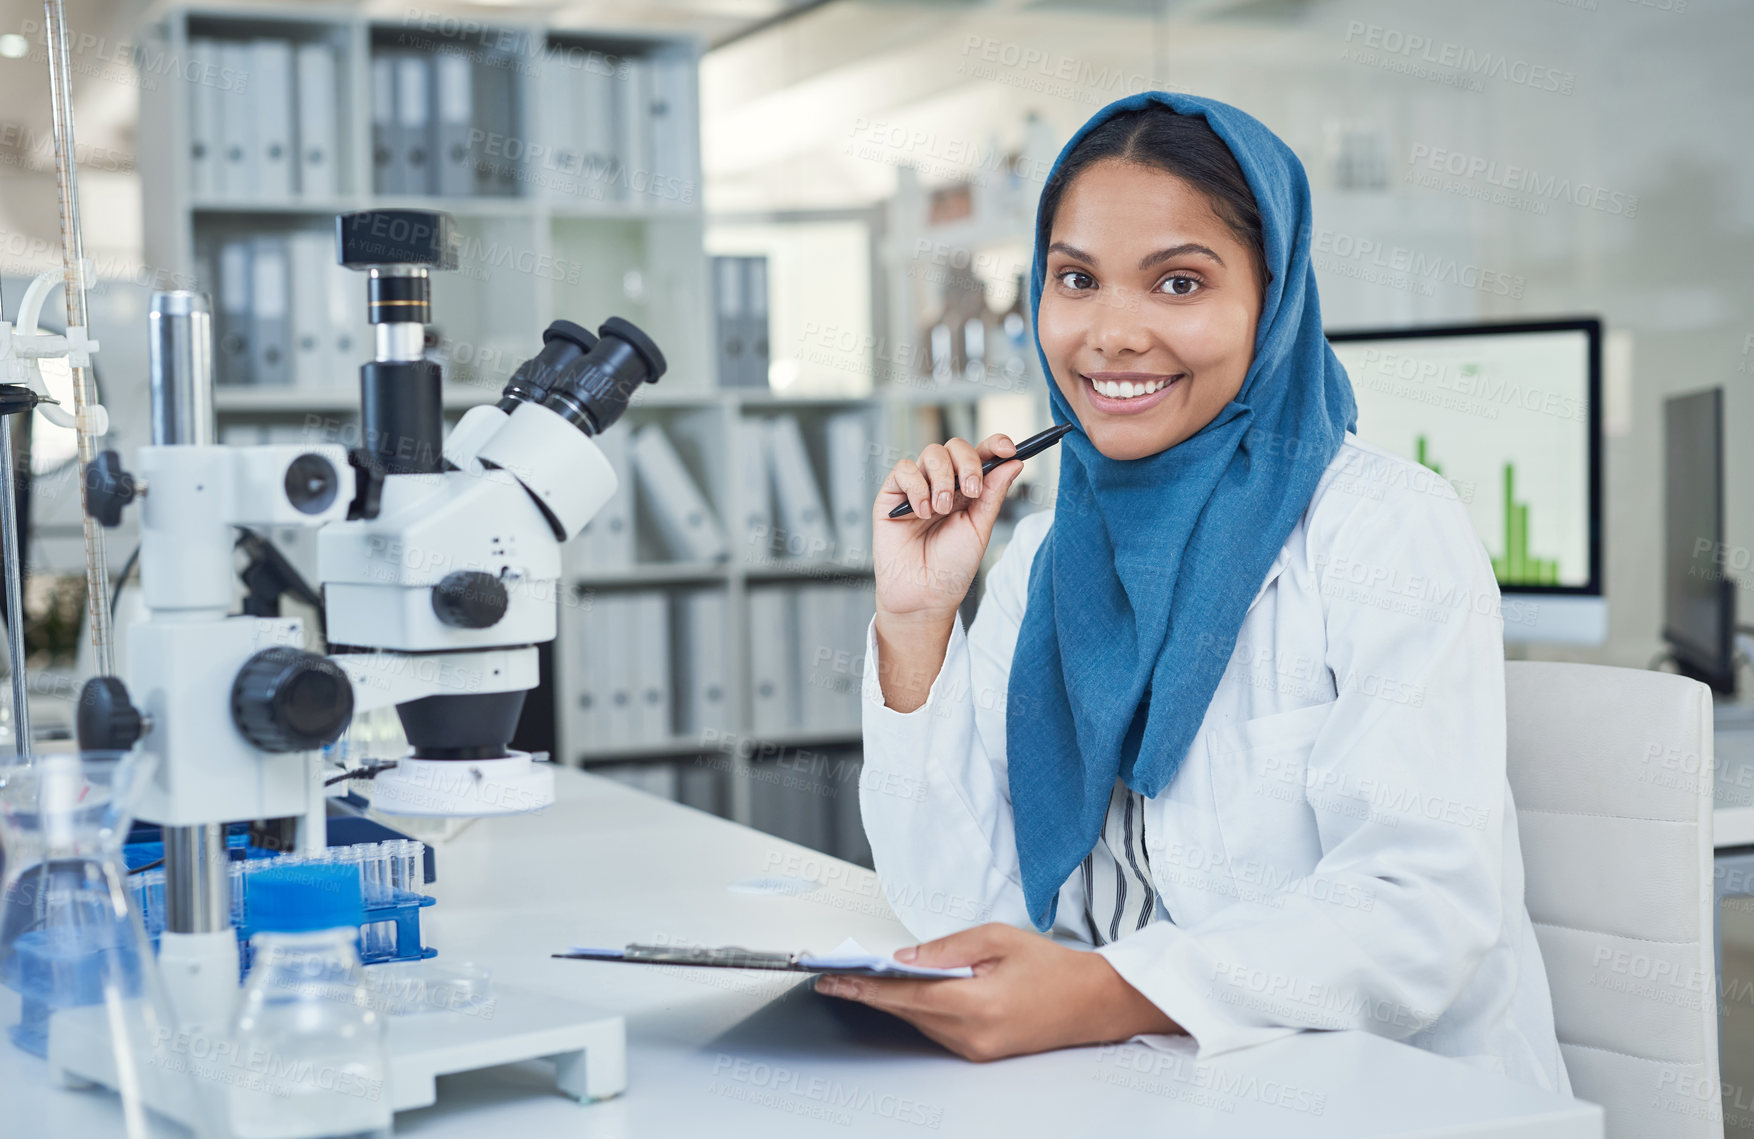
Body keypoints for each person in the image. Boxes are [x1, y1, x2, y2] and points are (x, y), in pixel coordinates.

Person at [814, 91, 1569, 1094]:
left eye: (1176, 282)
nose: (1111, 333)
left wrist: (1102, 988)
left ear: (1273, 296)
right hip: (1128, 1091)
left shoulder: (1383, 529)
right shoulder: (1044, 557)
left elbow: (1415, 912)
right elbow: (955, 910)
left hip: (1387, 1099)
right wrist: (915, 624)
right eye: (1074, 278)